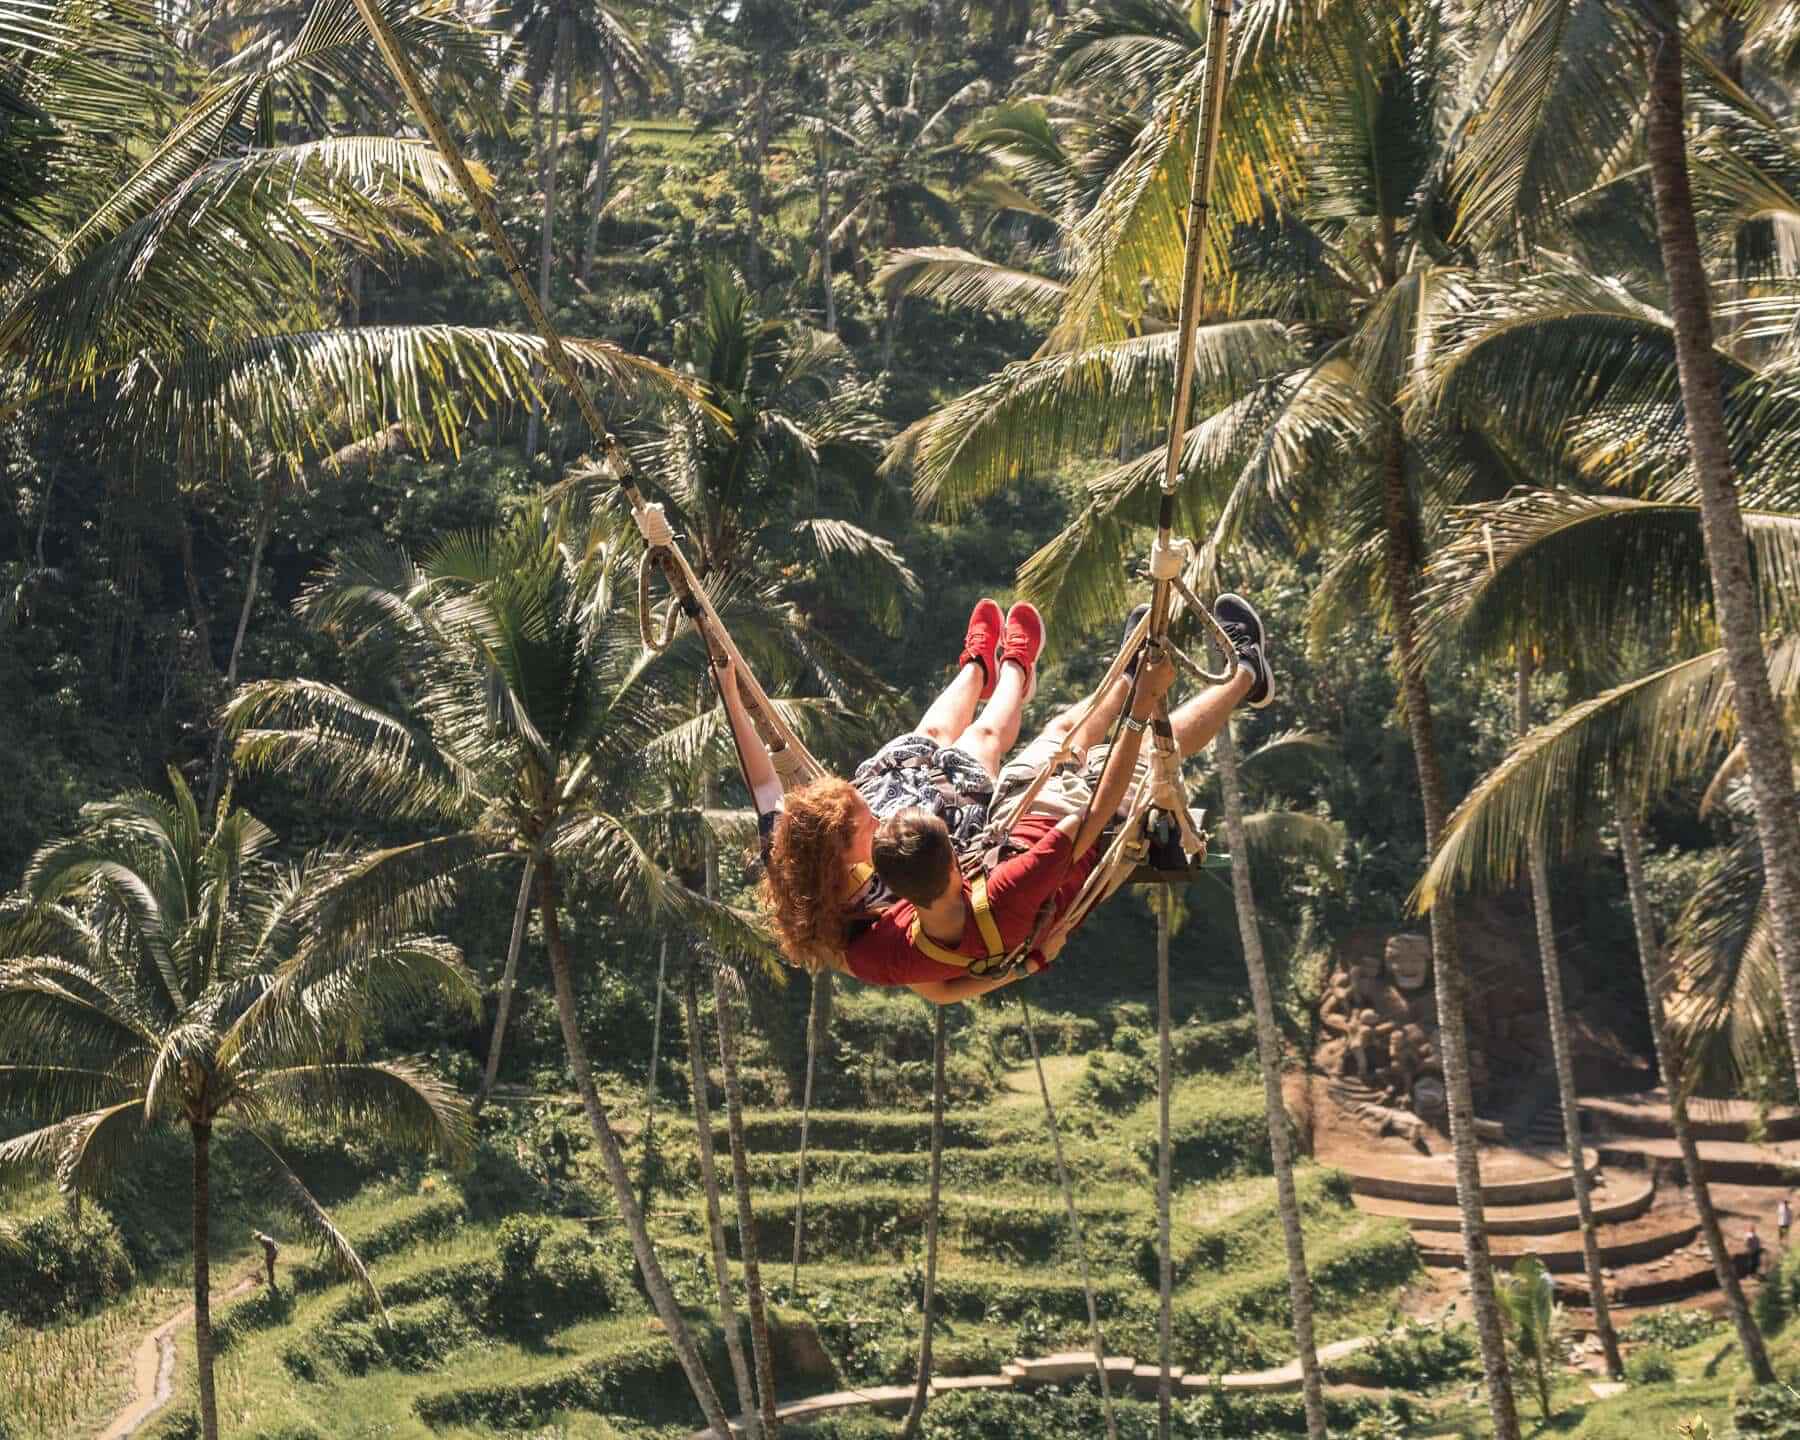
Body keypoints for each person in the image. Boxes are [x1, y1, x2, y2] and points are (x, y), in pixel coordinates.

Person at [841, 594, 1274, 1005]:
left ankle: (1126, 674)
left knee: (1062, 731)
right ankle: (1248, 675)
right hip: (1081, 839)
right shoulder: (1010, 888)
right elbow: (1097, 812)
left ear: (894, 893)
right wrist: (1142, 711)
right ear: (956, 862)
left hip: (1013, 817)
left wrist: (1027, 967)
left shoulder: (884, 950)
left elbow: (933, 990)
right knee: (1158, 747)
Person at [721, 599, 1048, 972]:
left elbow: (764, 783)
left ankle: (977, 667)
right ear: (841, 857)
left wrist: (731, 694)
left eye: (863, 805)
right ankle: (1017, 669)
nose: (876, 818)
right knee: (982, 737)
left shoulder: (790, 851)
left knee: (931, 734)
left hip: (897, 787)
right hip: (934, 836)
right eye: (869, 822)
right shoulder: (861, 921)